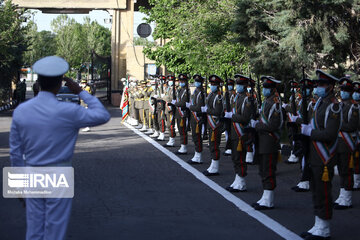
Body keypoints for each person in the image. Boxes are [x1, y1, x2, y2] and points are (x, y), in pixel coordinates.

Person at [9, 56, 110, 240]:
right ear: (60, 83)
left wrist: (18, 188)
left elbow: (15, 152)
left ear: (38, 82)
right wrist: (80, 91)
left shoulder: (21, 111)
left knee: (34, 230)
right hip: (59, 173)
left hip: (31, 172)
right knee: (55, 231)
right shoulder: (69, 111)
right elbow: (102, 115)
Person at [299, 70, 341, 240]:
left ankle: (324, 229)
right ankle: (318, 224)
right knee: (316, 190)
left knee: (323, 191)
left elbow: (330, 134)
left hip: (325, 156)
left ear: (330, 87)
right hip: (315, 154)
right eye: (317, 84)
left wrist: (310, 132)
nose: (318, 87)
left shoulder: (334, 106)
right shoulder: (320, 104)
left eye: (322, 85)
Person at [251, 76, 283, 210]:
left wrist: (257, 126)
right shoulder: (267, 102)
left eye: (267, 87)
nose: (264, 90)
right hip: (263, 140)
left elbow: (274, 125)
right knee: (263, 169)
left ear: (273, 89)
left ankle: (269, 199)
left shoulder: (275, 103)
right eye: (264, 87)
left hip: (269, 141)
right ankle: (265, 195)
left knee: (268, 169)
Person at [334, 77, 359, 209]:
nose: (343, 92)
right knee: (341, 169)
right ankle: (342, 194)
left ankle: (347, 197)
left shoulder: (353, 107)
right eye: (341, 89)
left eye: (345, 90)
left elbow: (352, 126)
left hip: (347, 142)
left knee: (346, 170)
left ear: (350, 92)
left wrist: (336, 125)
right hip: (339, 142)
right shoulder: (339, 106)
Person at [225, 74, 252, 192]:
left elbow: (245, 118)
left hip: (241, 132)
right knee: (235, 157)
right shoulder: (237, 97)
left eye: (240, 84)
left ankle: (241, 181)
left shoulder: (247, 99)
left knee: (240, 157)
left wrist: (233, 116)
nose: (238, 86)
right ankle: (237, 178)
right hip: (234, 131)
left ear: (245, 86)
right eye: (237, 84)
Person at [202, 75, 224, 176]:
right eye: (211, 84)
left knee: (214, 144)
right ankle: (213, 164)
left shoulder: (218, 96)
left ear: (218, 85)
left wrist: (207, 110)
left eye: (214, 84)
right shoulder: (211, 94)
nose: (212, 86)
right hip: (210, 123)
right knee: (211, 144)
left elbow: (218, 111)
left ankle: (215, 166)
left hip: (215, 123)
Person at [188, 74, 206, 164]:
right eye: (196, 81)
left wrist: (190, 107)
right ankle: (196, 154)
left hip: (198, 117)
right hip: (194, 117)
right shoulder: (196, 91)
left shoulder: (201, 93)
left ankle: (198, 156)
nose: (196, 83)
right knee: (195, 136)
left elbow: (199, 107)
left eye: (198, 81)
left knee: (197, 136)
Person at [175, 74, 190, 154]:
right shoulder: (180, 90)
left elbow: (184, 102)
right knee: (180, 130)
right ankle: (182, 145)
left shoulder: (186, 91)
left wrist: (176, 103)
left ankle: (184, 146)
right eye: (180, 81)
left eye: (182, 81)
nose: (181, 82)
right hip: (179, 113)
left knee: (183, 130)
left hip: (183, 113)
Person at [223, 79, 236, 156]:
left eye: (230, 85)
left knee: (230, 131)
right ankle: (228, 146)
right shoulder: (227, 94)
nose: (229, 86)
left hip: (230, 114)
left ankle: (230, 147)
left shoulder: (234, 94)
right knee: (227, 131)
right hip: (226, 114)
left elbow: (233, 105)